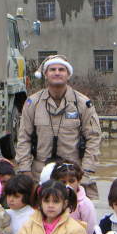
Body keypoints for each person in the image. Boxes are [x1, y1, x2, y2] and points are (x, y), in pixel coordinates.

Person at [15, 55, 101, 198]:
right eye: (52, 69)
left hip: (71, 174)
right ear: (46, 75)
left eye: (61, 69)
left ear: (68, 74)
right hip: (40, 174)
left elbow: (94, 138)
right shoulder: (33, 103)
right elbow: (24, 137)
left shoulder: (82, 103)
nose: (57, 72)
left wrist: (85, 172)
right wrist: (25, 171)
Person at [50, 161, 97, 234]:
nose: (68, 185)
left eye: (71, 181)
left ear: (78, 181)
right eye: (63, 182)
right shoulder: (50, 202)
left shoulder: (85, 204)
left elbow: (89, 231)